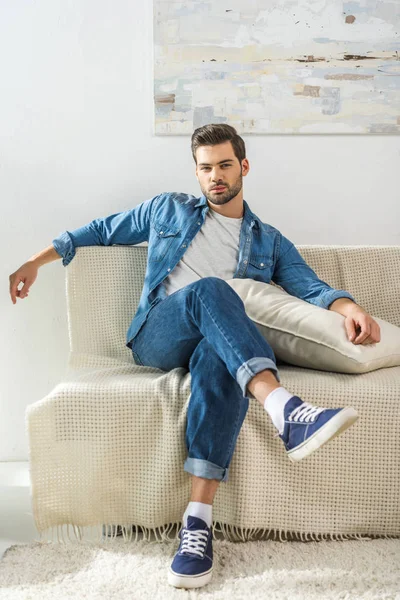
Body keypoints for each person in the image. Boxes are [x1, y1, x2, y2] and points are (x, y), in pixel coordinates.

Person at [9, 123, 381, 590]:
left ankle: (197, 524)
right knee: (211, 290)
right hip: (159, 335)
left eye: (225, 165)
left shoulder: (268, 240)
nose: (215, 177)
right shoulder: (167, 208)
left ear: (243, 167)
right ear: (197, 172)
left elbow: (312, 287)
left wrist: (350, 308)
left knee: (217, 358)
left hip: (218, 342)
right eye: (206, 168)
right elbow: (101, 231)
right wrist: (34, 261)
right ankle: (284, 408)